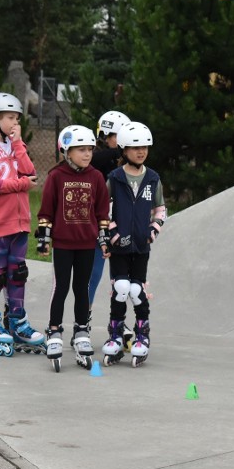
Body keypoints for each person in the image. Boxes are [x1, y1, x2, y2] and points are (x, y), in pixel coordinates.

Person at [0, 92, 43, 357]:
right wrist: (22, 184)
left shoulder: (13, 144)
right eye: (9, 118)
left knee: (18, 272)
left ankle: (17, 321)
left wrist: (19, 142)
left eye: (17, 118)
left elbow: (29, 169)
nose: (14, 122)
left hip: (20, 220)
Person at [36, 125, 110, 372]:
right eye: (81, 149)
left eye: (89, 149)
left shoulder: (96, 177)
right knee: (61, 287)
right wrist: (44, 240)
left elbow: (101, 212)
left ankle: (81, 330)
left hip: (87, 244)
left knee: (82, 288)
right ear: (66, 151)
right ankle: (54, 330)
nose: (87, 154)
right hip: (64, 244)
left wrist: (103, 239)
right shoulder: (56, 176)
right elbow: (46, 210)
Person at [101, 122, 166, 368]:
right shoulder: (115, 178)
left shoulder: (152, 179)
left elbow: (160, 210)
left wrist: (153, 231)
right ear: (124, 149)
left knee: (137, 290)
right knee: (120, 288)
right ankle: (116, 335)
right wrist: (113, 233)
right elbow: (104, 211)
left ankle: (142, 335)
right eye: (135, 147)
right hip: (119, 246)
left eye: (145, 147)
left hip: (141, 246)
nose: (141, 152)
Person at [87, 110, 133, 343]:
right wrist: (118, 151)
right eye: (118, 136)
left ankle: (118, 322)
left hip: (121, 229)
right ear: (105, 136)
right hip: (98, 229)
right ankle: (82, 321)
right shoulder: (96, 159)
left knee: (121, 279)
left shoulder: (130, 162)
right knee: (92, 278)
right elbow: (95, 160)